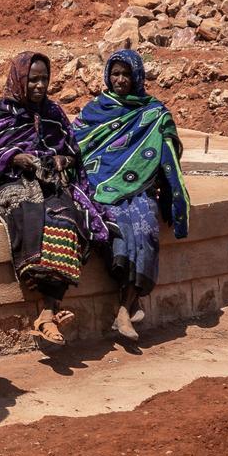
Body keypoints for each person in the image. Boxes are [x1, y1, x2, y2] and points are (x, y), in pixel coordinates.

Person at [0, 52, 111, 347]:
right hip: (8, 182)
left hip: (49, 182)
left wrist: (58, 161)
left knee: (66, 215)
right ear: (20, 80)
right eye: (33, 79)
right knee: (28, 210)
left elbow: (72, 153)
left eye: (44, 79)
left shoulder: (54, 114)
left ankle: (48, 311)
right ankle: (48, 312)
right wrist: (14, 157)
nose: (40, 85)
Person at [73, 48, 189, 345]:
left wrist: (170, 192)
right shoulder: (95, 110)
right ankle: (128, 306)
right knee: (116, 225)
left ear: (137, 76)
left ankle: (124, 307)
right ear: (107, 76)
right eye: (115, 74)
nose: (120, 80)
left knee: (146, 226)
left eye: (126, 74)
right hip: (101, 186)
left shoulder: (153, 113)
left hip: (140, 188)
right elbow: (75, 144)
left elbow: (170, 153)